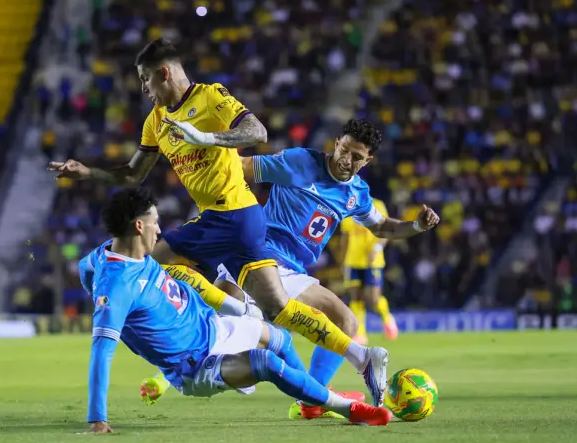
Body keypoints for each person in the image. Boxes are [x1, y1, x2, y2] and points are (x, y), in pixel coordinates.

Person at [49, 39, 390, 407]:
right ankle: (360, 356)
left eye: (146, 79)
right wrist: (88, 172)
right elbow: (133, 175)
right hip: (226, 219)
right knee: (278, 308)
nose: (144, 87)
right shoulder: (156, 121)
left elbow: (257, 132)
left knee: (146, 263)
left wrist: (206, 137)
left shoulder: (210, 97)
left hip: (234, 214)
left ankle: (191, 350)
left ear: (164, 73)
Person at [146, 119, 441, 416]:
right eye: (345, 150)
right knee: (219, 318)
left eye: (357, 157)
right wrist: (200, 152)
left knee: (345, 322)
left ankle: (312, 400)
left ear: (368, 160)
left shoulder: (357, 194)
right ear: (336, 143)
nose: (347, 160)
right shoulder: (299, 162)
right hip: (256, 256)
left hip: (293, 271)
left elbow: (383, 227)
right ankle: (167, 375)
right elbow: (242, 167)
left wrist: (416, 226)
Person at [81, 188, 392, 433]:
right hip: (196, 365)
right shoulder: (117, 287)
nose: (159, 230)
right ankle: (348, 410)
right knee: (266, 362)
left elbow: (87, 268)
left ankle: (311, 401)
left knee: (280, 339)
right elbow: (101, 351)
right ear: (138, 226)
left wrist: (93, 288)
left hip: (215, 328)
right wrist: (98, 418)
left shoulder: (109, 254)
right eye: (154, 223)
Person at [340, 197, 398, 344]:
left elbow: (386, 230)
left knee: (373, 298)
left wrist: (377, 248)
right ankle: (360, 333)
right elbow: (345, 236)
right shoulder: (347, 207)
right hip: (352, 260)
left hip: (373, 261)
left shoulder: (377, 205)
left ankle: (387, 318)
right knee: (355, 297)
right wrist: (342, 260)